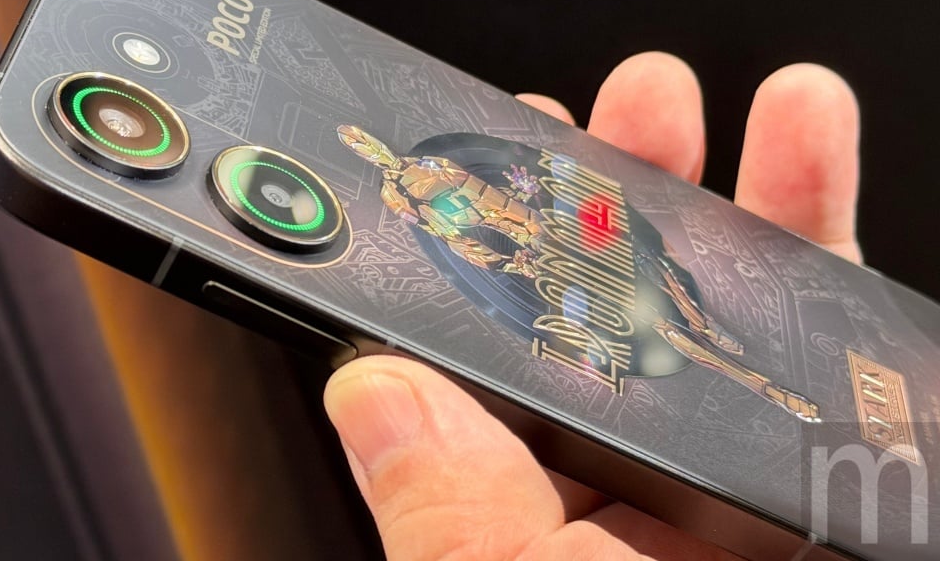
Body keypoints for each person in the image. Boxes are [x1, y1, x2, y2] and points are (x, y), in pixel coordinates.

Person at [323, 52, 861, 561]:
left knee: (654, 262)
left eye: (361, 136)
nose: (365, 144)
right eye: (355, 144)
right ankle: (762, 385)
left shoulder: (433, 159)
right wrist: (509, 261)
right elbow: (457, 240)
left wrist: (535, 204)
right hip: (537, 255)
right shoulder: (398, 196)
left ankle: (705, 324)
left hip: (544, 224)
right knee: (654, 323)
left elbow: (494, 188)